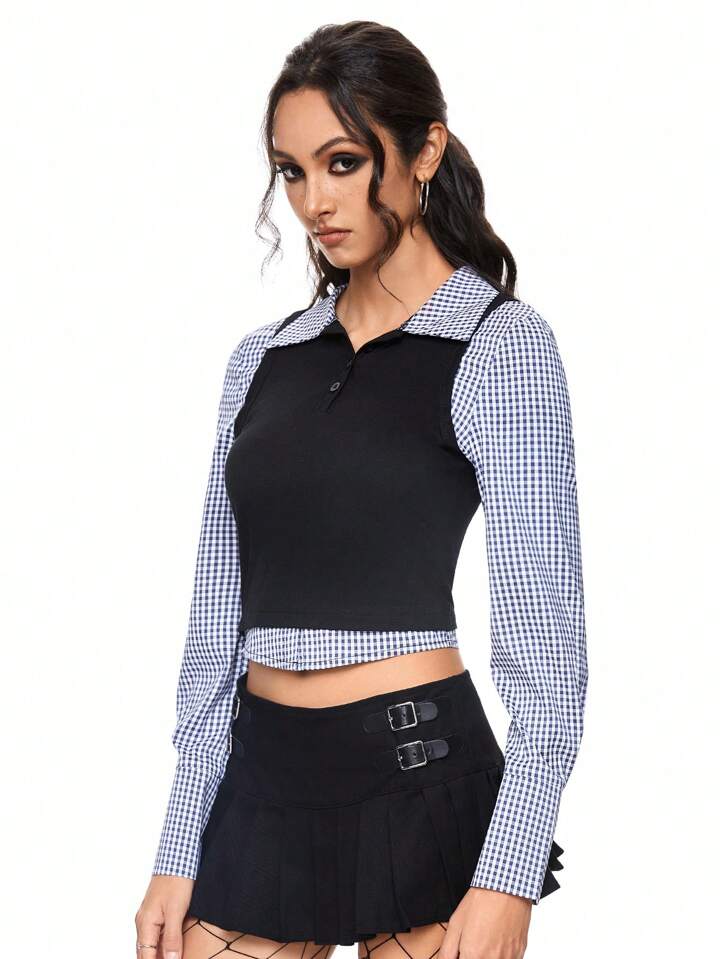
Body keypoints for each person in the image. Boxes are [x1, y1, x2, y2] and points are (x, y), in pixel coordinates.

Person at [135, 20, 588, 959]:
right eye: (292, 171)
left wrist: (508, 872)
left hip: (420, 779)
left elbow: (547, 650)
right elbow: (215, 624)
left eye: (343, 163)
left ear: (425, 150)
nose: (314, 201)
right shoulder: (262, 360)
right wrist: (180, 844)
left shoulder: (498, 346)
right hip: (262, 784)